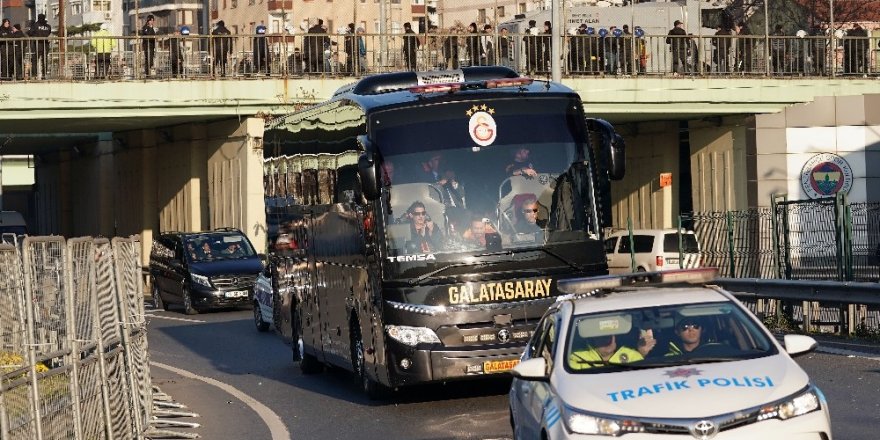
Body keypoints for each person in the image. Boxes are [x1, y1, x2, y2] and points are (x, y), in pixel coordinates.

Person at [569, 332, 655, 369]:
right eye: (602, 337)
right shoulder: (577, 358)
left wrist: (642, 353)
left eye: (610, 336)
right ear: (592, 340)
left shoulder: (631, 356)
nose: (608, 341)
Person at [28, 13, 52, 80]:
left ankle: (34, 74)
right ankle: (44, 75)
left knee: (35, 60)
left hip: (37, 45)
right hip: (45, 45)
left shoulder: (35, 25)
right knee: (44, 60)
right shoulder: (48, 26)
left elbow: (30, 33)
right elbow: (49, 33)